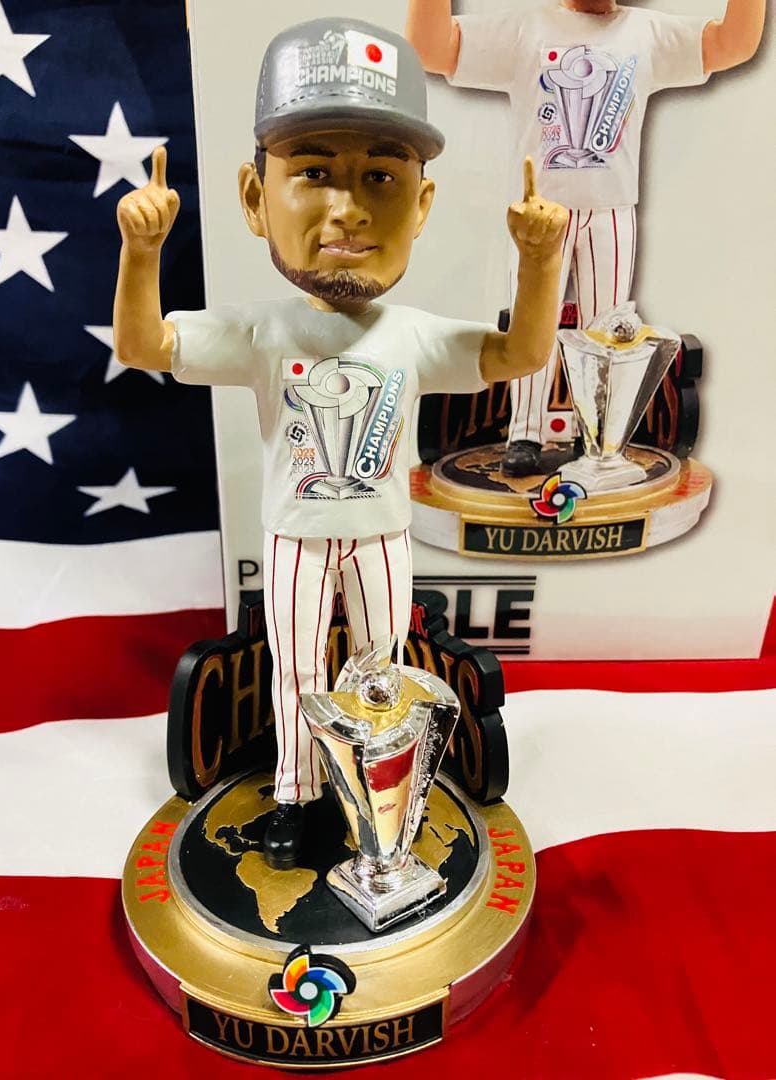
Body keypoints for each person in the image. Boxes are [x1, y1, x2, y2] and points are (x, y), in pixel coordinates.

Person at [112, 17, 566, 868]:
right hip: (294, 533)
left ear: (421, 204)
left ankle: (377, 798)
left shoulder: (412, 332)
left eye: (382, 176)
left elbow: (521, 355)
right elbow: (144, 347)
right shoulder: (264, 329)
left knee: (380, 672)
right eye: (314, 172)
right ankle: (296, 794)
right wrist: (143, 252)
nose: (348, 208)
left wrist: (540, 264)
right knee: (296, 672)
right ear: (256, 198)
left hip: (384, 533)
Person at [406, 0, 766, 476]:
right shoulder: (527, 28)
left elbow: (732, 44)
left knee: (606, 331)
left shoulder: (644, 32)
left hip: (611, 210)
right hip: (540, 211)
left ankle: (596, 435)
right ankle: (525, 432)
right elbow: (432, 48)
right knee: (532, 325)